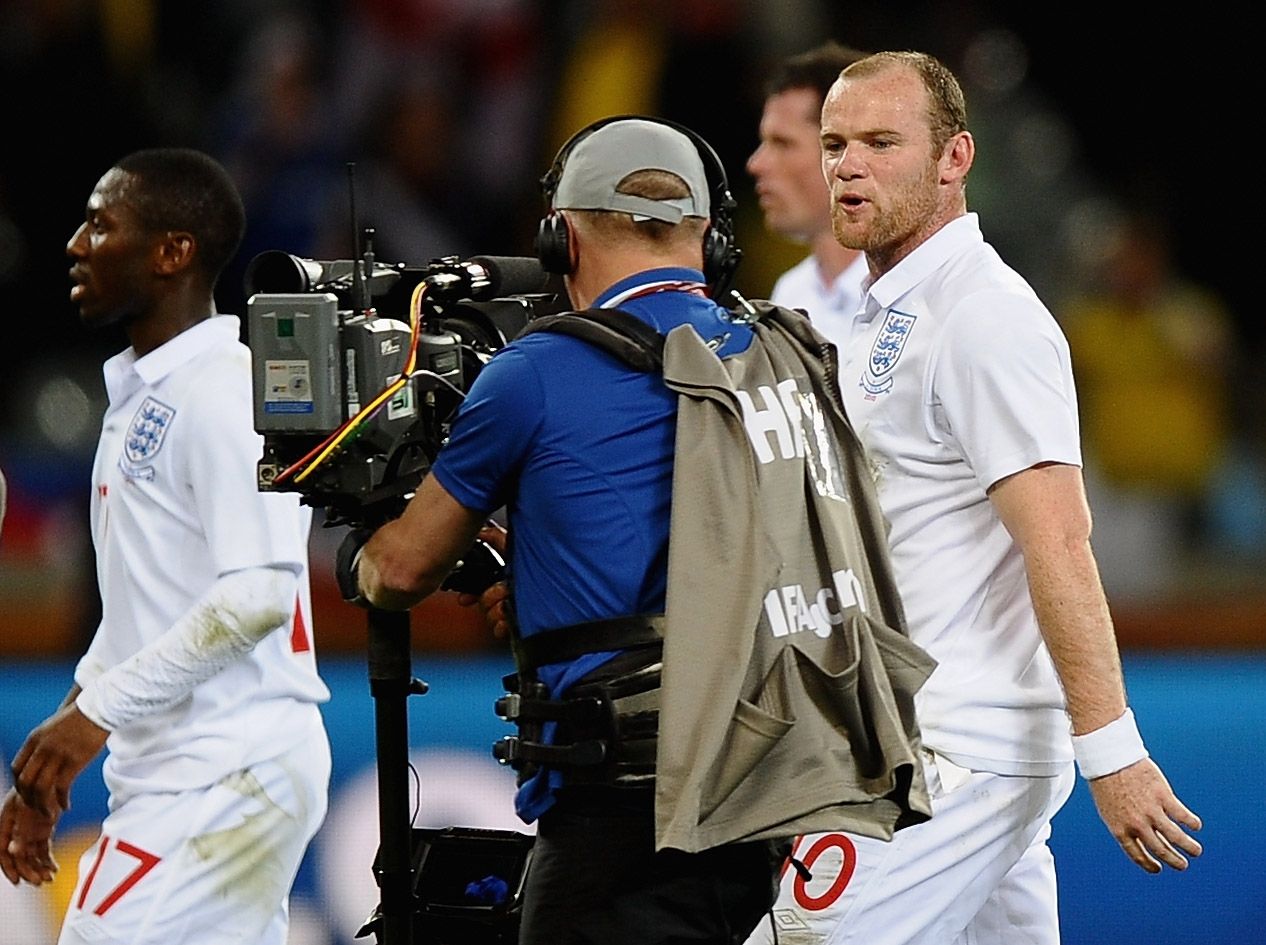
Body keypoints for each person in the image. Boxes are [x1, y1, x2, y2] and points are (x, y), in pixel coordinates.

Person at [343, 115, 934, 945]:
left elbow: (402, 571)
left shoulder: (536, 372)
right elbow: (721, 537)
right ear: (710, 239)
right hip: (766, 781)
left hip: (624, 809)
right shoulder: (784, 349)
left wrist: (362, 547)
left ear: (561, 238)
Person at [743, 51, 1204, 945]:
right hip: (920, 729)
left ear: (956, 158)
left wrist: (1112, 751)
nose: (849, 165)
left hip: (958, 748)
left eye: (882, 141)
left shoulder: (985, 315)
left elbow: (1060, 542)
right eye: (835, 143)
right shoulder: (885, 307)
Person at [0, 148, 331, 945]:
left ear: (172, 251)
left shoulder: (222, 390)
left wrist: (95, 718)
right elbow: (144, 616)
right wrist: (69, 735)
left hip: (228, 768)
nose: (78, 244)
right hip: (191, 773)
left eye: (101, 224)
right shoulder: (146, 396)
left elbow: (258, 593)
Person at [746, 40, 869, 341]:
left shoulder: (918, 297)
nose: (756, 164)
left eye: (783, 143)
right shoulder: (790, 296)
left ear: (842, 150)